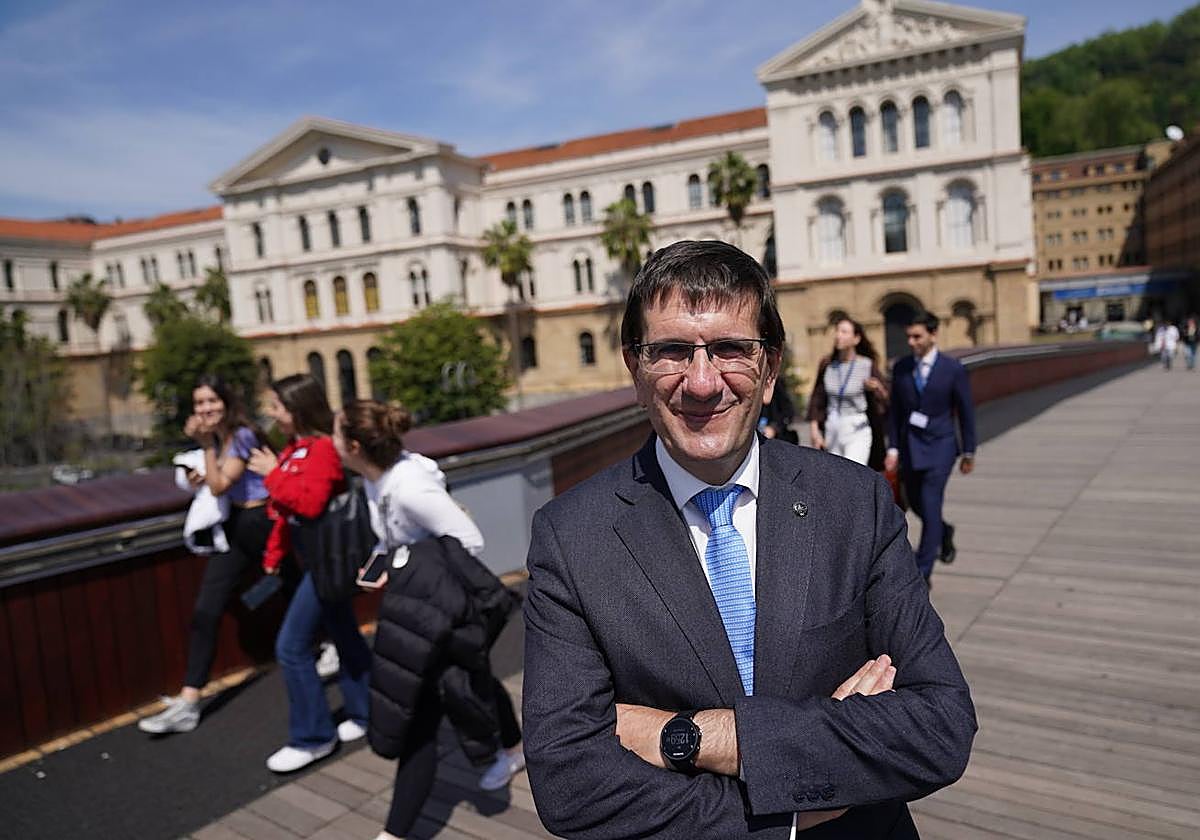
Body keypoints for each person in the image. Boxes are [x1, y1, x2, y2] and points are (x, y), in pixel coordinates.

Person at [522, 241, 975, 838]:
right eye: (672, 352)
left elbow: (939, 725)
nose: (703, 382)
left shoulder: (855, 502)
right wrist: (786, 806)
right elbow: (568, 783)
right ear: (635, 370)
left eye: (732, 349)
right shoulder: (571, 538)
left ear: (770, 370)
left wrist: (687, 737)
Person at [333, 400, 525, 840]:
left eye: (336, 433)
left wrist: (402, 568)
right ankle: (513, 749)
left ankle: (395, 833)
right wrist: (387, 562)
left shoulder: (409, 488)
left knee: (420, 715)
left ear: (356, 446)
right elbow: (401, 539)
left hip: (438, 608)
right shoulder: (374, 479)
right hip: (418, 606)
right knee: (466, 677)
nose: (332, 441)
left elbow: (467, 539)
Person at [246, 374, 373, 773]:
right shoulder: (296, 449)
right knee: (343, 634)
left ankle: (314, 737)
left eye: (278, 407)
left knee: (291, 647)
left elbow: (310, 504)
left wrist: (272, 473)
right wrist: (274, 554)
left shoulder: (319, 449)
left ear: (298, 409)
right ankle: (366, 711)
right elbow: (286, 514)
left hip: (326, 562)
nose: (272, 414)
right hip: (310, 560)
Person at [138, 375, 272, 735]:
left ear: (227, 403)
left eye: (211, 401)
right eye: (199, 403)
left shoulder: (242, 435)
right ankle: (190, 700)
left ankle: (332, 643)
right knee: (205, 610)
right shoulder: (224, 438)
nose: (205, 409)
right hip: (237, 528)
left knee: (295, 585)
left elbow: (219, 485)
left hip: (263, 523)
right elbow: (213, 483)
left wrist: (206, 446)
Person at [885, 313, 977, 584]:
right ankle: (943, 531)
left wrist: (969, 450)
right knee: (917, 504)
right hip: (911, 448)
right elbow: (895, 414)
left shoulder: (953, 369)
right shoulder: (901, 368)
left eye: (918, 337)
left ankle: (922, 572)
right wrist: (893, 449)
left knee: (931, 501)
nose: (912, 342)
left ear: (933, 335)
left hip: (941, 447)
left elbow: (966, 412)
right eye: (909, 337)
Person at [806, 317, 890, 468]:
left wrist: (876, 388)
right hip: (832, 426)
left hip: (857, 427)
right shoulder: (827, 365)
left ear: (856, 339)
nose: (838, 335)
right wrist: (815, 431)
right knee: (836, 476)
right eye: (837, 331)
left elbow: (886, 397)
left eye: (844, 332)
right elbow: (817, 399)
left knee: (854, 472)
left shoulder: (866, 365)